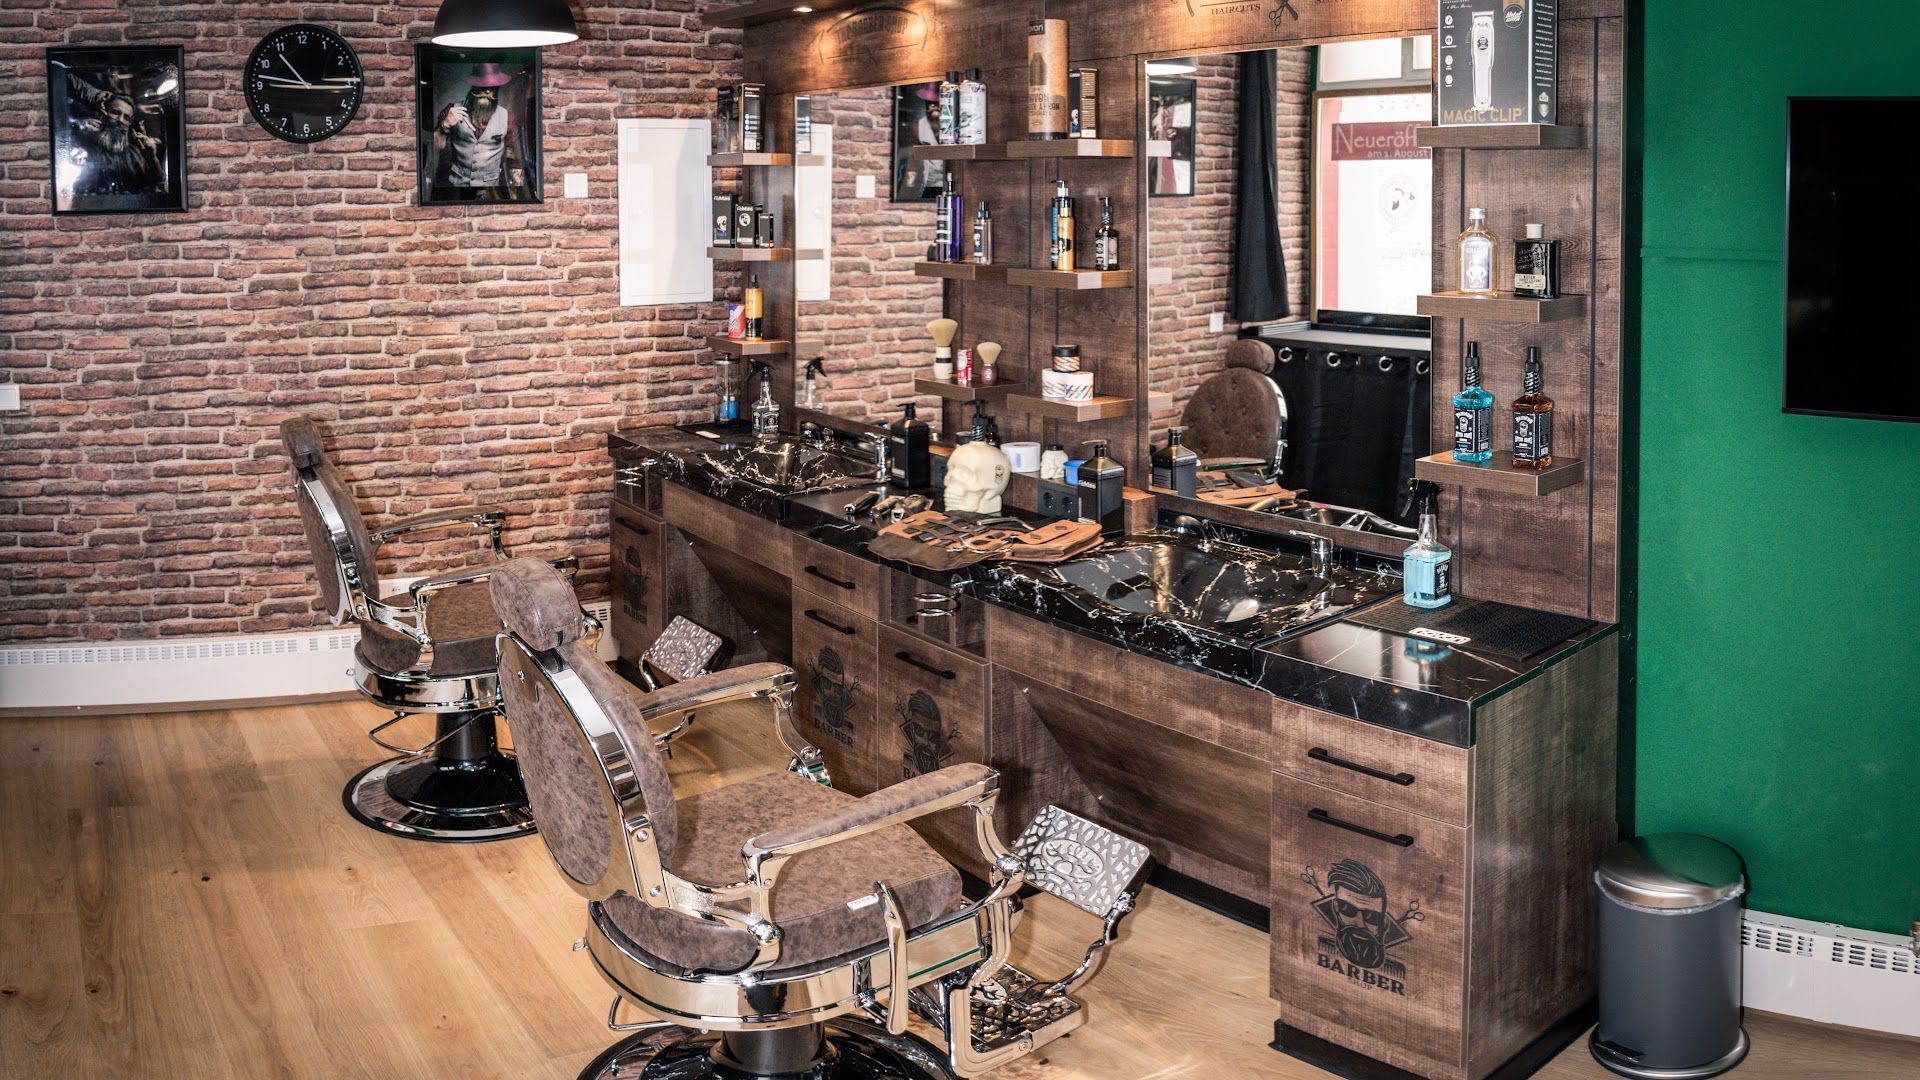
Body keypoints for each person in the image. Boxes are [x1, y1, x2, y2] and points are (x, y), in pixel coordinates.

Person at [432, 62, 527, 195]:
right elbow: (435, 147)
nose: (487, 91)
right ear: (473, 86)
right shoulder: (451, 110)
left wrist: (519, 191)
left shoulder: (507, 118)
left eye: (491, 87)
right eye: (482, 85)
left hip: (490, 190)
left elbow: (514, 158)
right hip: (456, 187)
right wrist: (445, 125)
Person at [66, 92, 163, 196]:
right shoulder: (85, 146)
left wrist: (153, 157)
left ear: (129, 124)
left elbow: (156, 185)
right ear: (104, 113)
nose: (120, 120)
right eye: (115, 112)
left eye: (126, 118)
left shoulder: (133, 153)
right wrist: (76, 125)